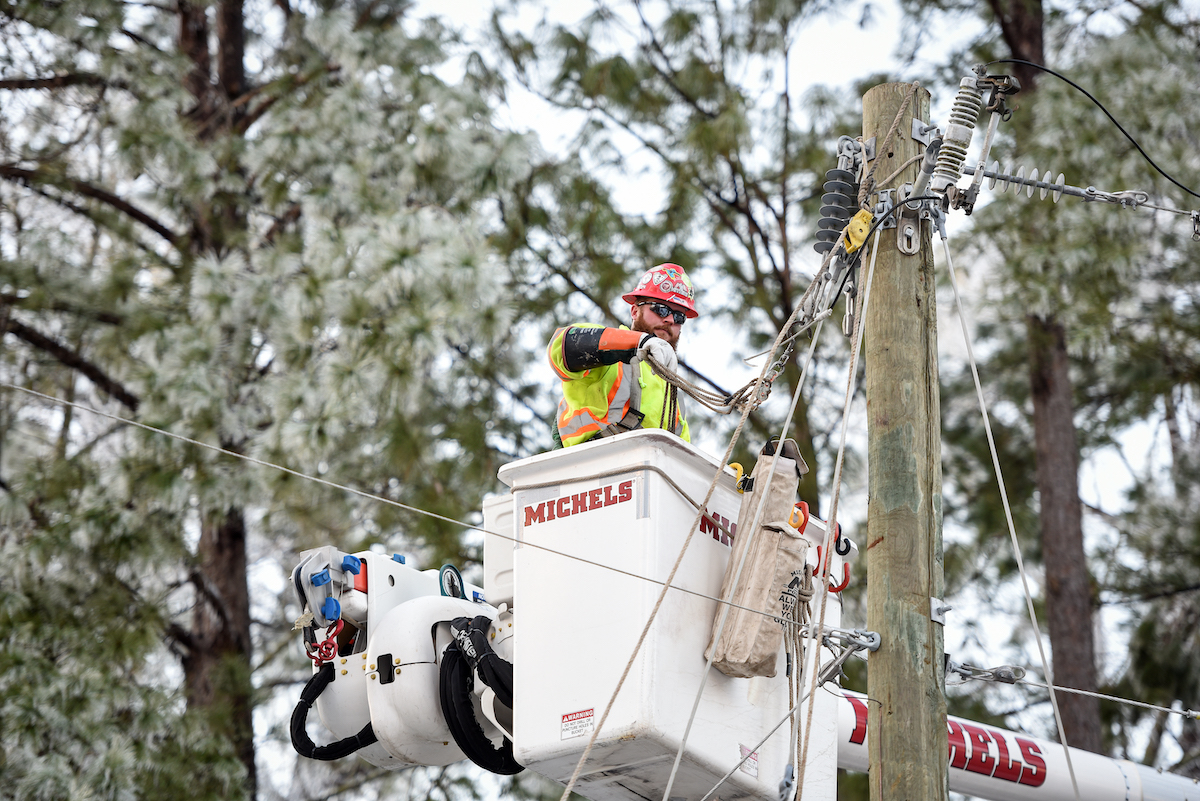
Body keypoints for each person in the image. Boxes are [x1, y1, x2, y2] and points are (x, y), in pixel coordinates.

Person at [548, 263, 698, 448]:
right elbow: (562, 347)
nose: (669, 320)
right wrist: (637, 342)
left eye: (679, 316)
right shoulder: (608, 352)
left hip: (644, 473)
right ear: (635, 311)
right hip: (587, 467)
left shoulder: (673, 394)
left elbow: (683, 460)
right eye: (661, 309)